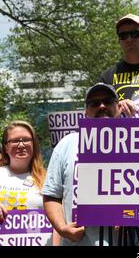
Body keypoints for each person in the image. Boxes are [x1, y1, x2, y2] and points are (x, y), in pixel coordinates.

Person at [42, 83, 123, 246]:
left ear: (119, 107)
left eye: (107, 101)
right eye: (94, 103)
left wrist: (131, 216)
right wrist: (62, 228)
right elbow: (52, 195)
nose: (101, 106)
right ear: (86, 111)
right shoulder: (67, 144)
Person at [99, 13, 139, 113]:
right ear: (119, 41)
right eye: (123, 36)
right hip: (121, 128)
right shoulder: (107, 77)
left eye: (135, 34)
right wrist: (118, 107)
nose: (129, 39)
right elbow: (102, 113)